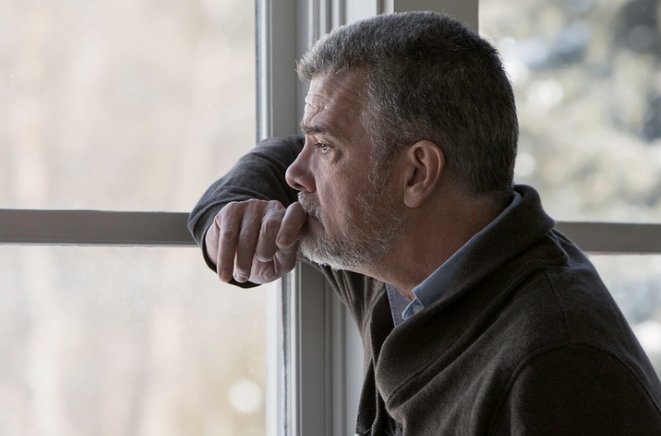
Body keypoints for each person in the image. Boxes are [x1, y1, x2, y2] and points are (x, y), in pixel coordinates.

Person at [188, 11, 661, 435]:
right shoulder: (400, 246)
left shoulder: (562, 369)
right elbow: (281, 157)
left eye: (326, 148)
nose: (296, 174)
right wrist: (229, 222)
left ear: (416, 173)